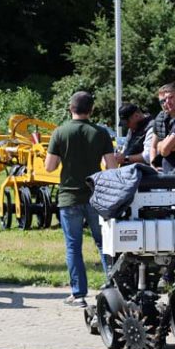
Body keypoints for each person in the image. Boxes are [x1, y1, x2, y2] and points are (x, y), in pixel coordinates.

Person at [44, 91, 117, 308]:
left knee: (73, 246)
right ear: (91, 110)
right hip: (95, 195)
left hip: (69, 196)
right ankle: (112, 286)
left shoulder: (60, 132)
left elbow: (50, 166)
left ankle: (78, 295)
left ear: (70, 108)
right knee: (104, 243)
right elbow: (111, 167)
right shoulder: (101, 133)